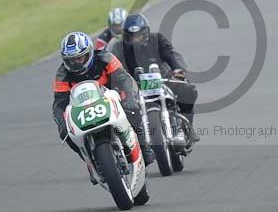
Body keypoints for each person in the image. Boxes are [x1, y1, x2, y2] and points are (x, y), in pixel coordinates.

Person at [51, 31, 154, 165]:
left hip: (113, 96)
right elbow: (59, 103)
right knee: (66, 133)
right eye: (71, 60)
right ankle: (90, 161)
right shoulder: (62, 74)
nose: (75, 63)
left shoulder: (106, 58)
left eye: (79, 58)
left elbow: (124, 80)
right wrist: (62, 124)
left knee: (133, 109)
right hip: (84, 107)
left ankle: (143, 145)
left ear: (89, 53)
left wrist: (129, 99)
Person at [110, 13, 198, 142]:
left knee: (188, 90)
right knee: (121, 109)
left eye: (139, 35)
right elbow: (113, 67)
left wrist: (178, 69)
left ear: (145, 32)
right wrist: (116, 84)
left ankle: (187, 127)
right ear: (125, 35)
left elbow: (171, 54)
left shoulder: (157, 39)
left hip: (162, 79)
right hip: (134, 86)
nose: (135, 39)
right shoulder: (118, 47)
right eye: (131, 36)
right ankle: (134, 143)